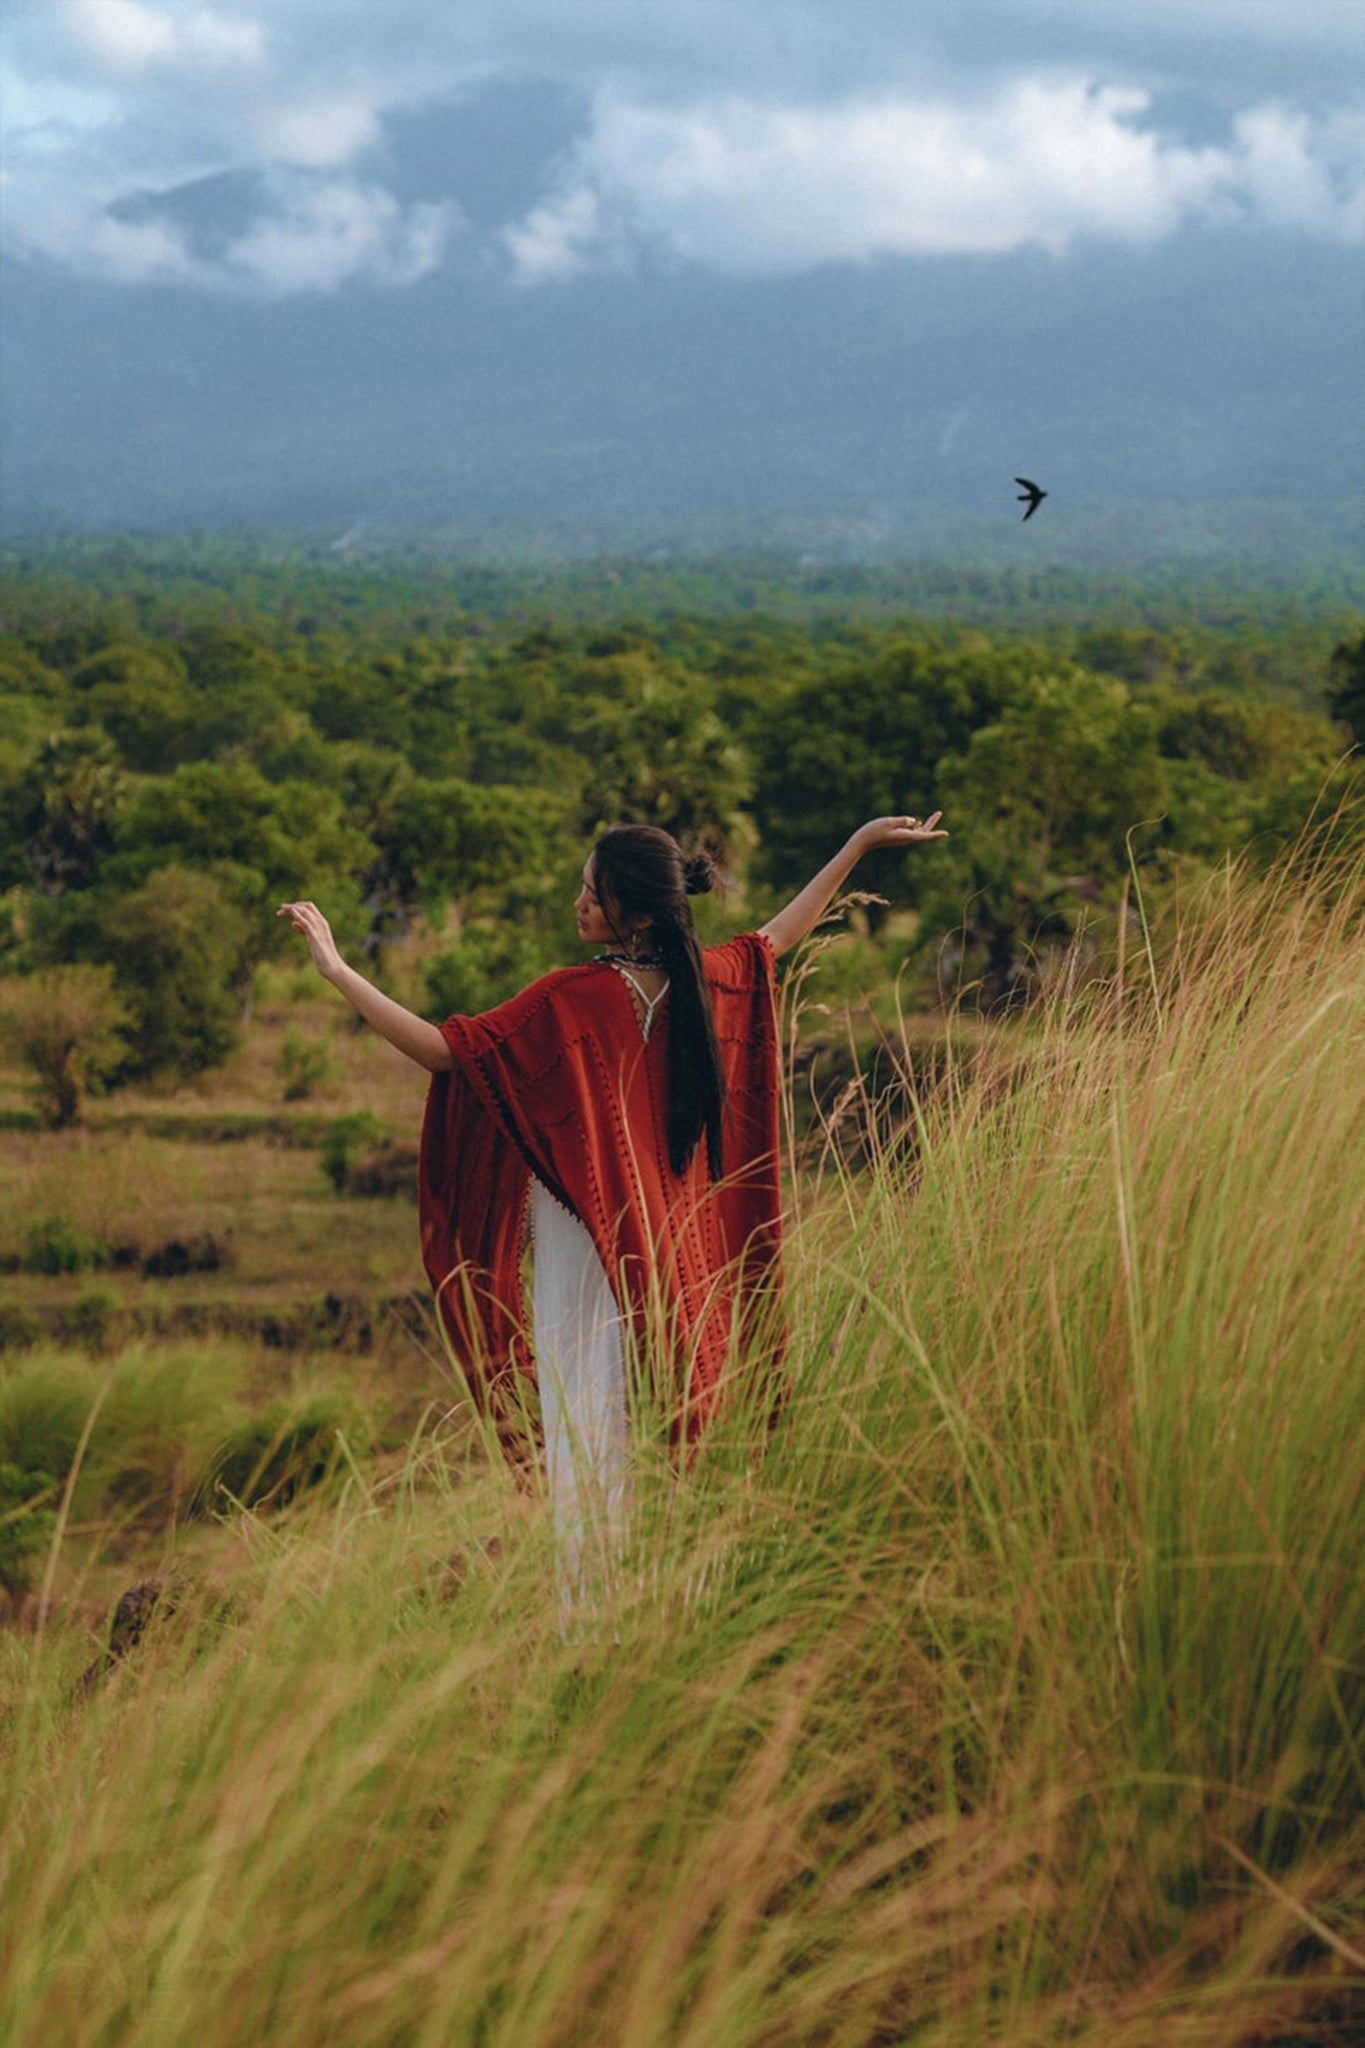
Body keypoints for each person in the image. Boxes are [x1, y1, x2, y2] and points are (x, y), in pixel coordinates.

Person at [279, 810, 945, 1581]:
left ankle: (591, 1602)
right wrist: (855, 844)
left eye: (588, 893)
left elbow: (442, 1051)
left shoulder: (569, 1000)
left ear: (627, 909)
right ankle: (667, 1588)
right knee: (652, 1400)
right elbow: (777, 938)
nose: (577, 904)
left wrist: (337, 969)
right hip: (665, 1240)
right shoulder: (711, 978)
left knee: (585, 1409)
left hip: (577, 1234)